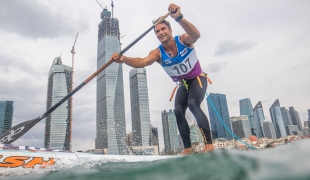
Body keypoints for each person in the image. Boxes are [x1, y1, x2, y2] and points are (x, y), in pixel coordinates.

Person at [111, 3, 214, 155]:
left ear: (170, 30)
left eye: (163, 29)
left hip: (198, 78)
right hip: (183, 84)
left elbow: (196, 35)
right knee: (178, 111)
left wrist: (179, 17)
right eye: (157, 31)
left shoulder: (183, 40)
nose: (160, 32)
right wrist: (124, 59)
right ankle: (187, 149)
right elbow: (143, 62)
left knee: (193, 103)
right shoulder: (158, 53)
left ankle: (209, 145)